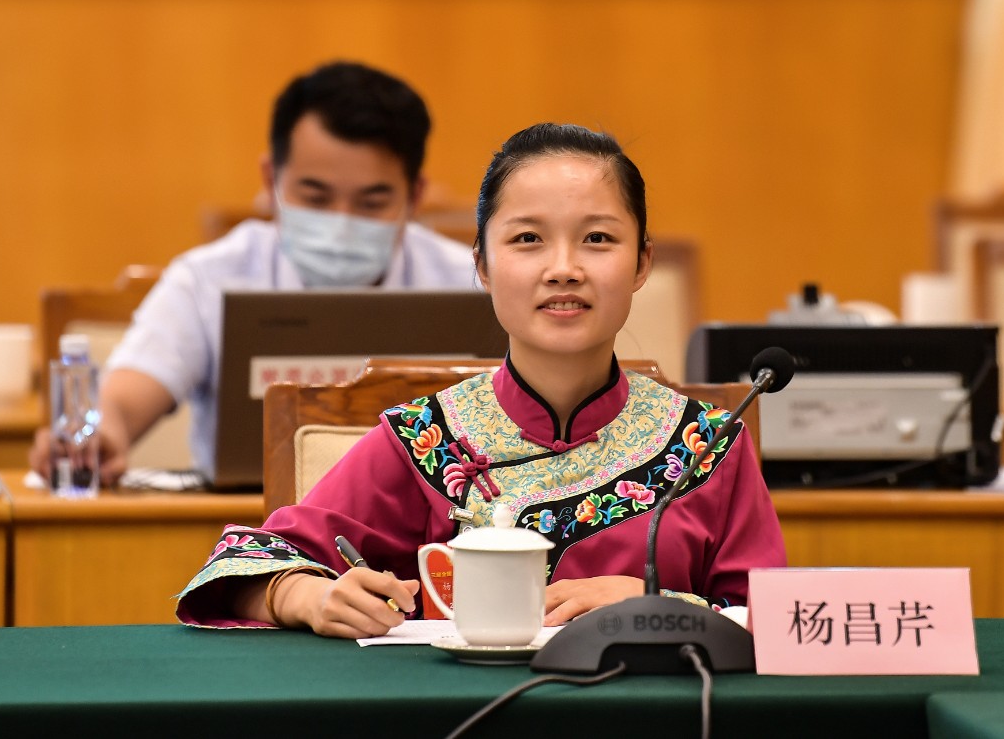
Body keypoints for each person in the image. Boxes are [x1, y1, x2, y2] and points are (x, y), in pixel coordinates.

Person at [175, 122, 786, 637]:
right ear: (482, 266)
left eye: (598, 239)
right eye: (527, 240)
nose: (564, 269)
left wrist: (660, 606)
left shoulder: (710, 444)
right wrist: (303, 597)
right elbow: (243, 565)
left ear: (642, 263)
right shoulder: (426, 438)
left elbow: (782, 623)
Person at [28, 60, 477, 486]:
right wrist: (99, 433)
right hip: (248, 536)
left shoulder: (474, 285)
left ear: (415, 195)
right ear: (270, 179)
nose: (341, 224)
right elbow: (125, 397)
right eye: (316, 198)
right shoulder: (208, 279)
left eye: (372, 203)